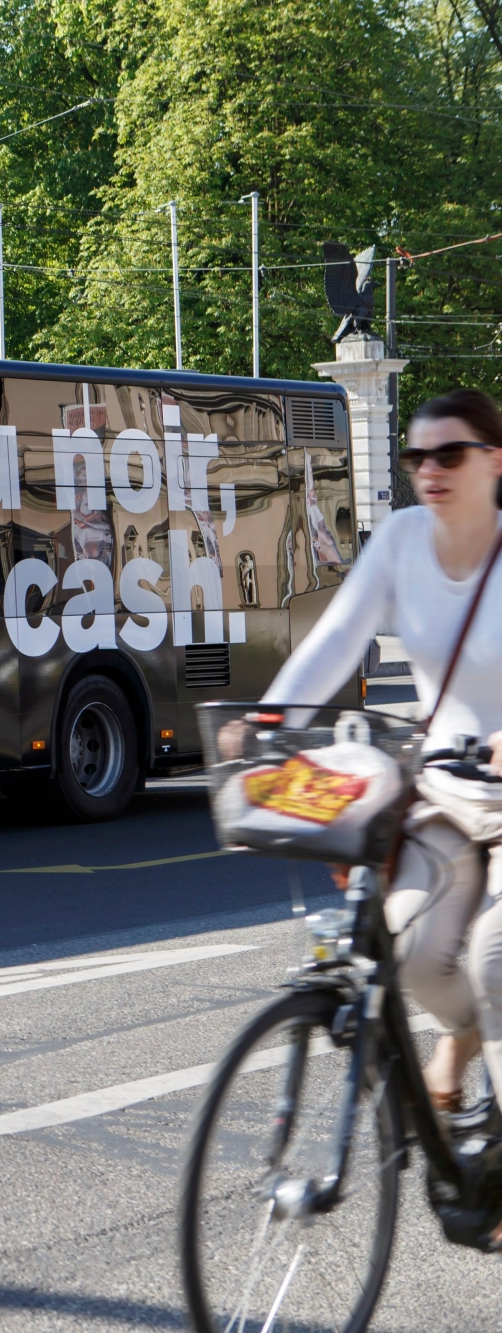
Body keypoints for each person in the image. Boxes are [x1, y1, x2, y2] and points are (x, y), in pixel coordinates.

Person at [262, 388, 502, 1130]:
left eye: (450, 453)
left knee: (493, 962)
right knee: (418, 948)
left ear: (494, 461)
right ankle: (465, 1039)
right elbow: (336, 638)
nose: (429, 468)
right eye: (416, 455)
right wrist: (270, 720)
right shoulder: (401, 540)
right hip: (446, 786)